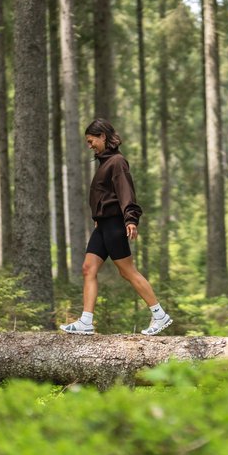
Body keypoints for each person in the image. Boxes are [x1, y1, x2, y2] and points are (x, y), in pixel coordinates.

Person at [60, 118, 173, 336]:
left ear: (103, 136)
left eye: (91, 140)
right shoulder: (105, 162)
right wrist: (98, 214)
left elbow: (125, 192)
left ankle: (160, 315)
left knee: (127, 271)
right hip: (102, 225)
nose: (89, 145)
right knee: (88, 269)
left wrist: (130, 219)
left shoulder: (118, 161)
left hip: (114, 224)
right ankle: (86, 321)